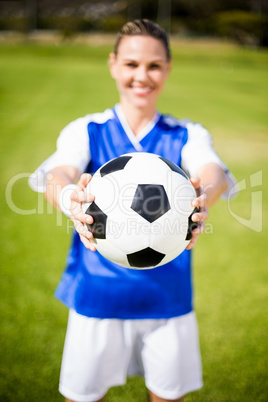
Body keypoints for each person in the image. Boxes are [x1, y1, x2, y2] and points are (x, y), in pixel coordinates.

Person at [29, 19, 236, 402]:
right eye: (131, 64)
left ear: (168, 68)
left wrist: (202, 195)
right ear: (113, 65)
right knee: (83, 396)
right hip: (98, 295)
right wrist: (70, 197)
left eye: (154, 65)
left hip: (167, 298)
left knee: (167, 395)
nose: (142, 75)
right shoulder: (87, 130)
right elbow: (57, 174)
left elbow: (213, 171)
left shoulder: (185, 134)